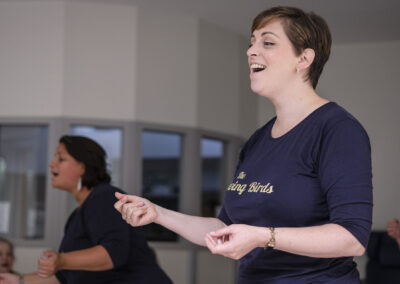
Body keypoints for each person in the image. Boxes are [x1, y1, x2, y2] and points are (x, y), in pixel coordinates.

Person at [114, 5, 373, 283]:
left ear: (304, 58)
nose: (251, 51)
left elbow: (351, 238)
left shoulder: (337, 130)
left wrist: (262, 236)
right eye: (252, 43)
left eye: (268, 42)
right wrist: (157, 214)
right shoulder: (258, 141)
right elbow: (225, 227)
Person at [0, 135, 172, 284]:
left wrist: (62, 260)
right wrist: (18, 280)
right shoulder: (76, 215)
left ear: (83, 167)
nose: (52, 164)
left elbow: (114, 253)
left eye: (61, 158)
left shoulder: (105, 196)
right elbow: (64, 277)